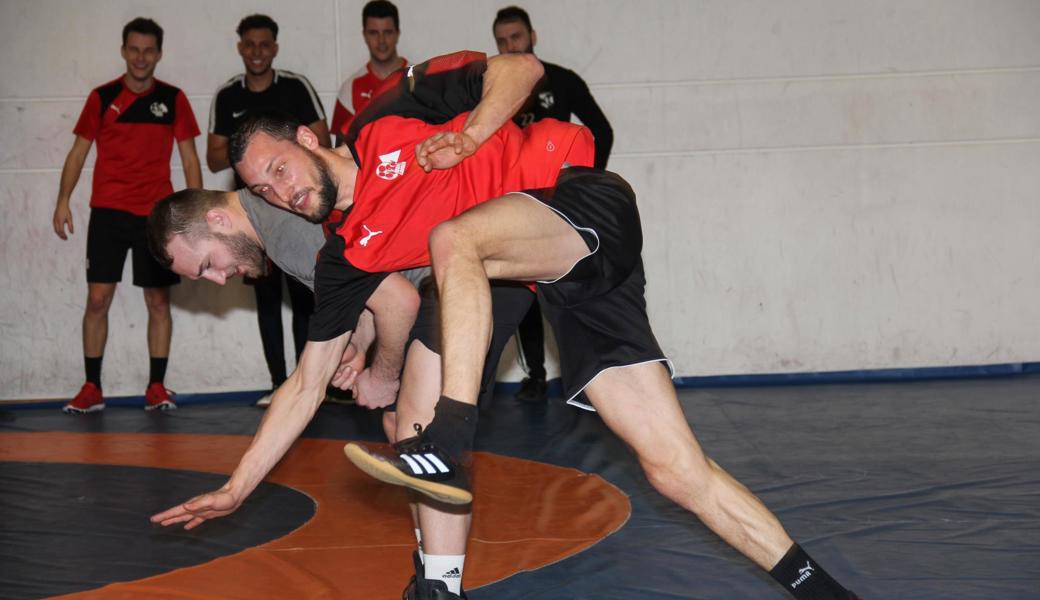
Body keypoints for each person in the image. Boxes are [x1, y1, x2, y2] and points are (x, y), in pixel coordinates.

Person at [150, 52, 589, 599]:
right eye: (266, 189)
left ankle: (437, 561)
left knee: (414, 413)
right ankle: (437, 579)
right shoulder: (322, 236)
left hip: (540, 204)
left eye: (208, 264)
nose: (219, 280)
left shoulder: (325, 184)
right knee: (414, 425)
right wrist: (238, 487)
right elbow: (326, 352)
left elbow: (522, 68)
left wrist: (379, 370)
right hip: (478, 264)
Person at [52, 17, 201, 414]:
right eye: (134, 49)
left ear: (159, 54)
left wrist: (196, 211)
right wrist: (63, 199)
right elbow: (78, 153)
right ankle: (91, 387)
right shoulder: (102, 97)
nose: (140, 57)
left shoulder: (173, 99)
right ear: (123, 51)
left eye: (148, 50)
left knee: (158, 302)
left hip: (156, 216)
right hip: (108, 213)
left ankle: (156, 387)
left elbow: (189, 158)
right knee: (98, 299)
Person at [493, 5, 615, 403]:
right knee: (523, 290)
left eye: (516, 37)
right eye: (502, 41)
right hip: (516, 204)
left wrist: (584, 182)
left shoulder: (561, 81)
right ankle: (536, 376)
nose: (510, 46)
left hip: (563, 206)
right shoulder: (493, 89)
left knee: (574, 290)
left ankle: (593, 376)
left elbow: (601, 129)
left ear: (533, 36)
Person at [208, 14, 330, 405]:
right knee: (265, 298)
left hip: (296, 208)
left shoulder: (296, 87)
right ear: (240, 47)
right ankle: (279, 383)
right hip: (253, 215)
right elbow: (213, 158)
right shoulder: (228, 95)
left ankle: (305, 380)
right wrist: (257, 150)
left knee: (304, 294)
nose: (257, 52)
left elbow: (322, 141)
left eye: (265, 44)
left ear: (274, 48)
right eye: (250, 44)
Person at [330, 0, 406, 146]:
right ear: (364, 35)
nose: (381, 41)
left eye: (387, 32)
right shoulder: (350, 88)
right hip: (365, 168)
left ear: (397, 33)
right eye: (374, 33)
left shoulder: (419, 78)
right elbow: (340, 150)